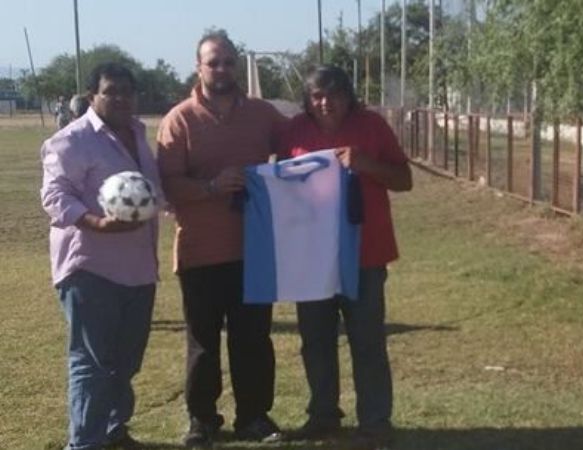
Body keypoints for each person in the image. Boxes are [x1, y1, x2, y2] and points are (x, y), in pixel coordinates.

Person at [156, 31, 286, 447]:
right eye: (213, 62)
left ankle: (254, 417)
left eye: (229, 61)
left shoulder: (264, 114)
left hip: (255, 249)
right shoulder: (179, 119)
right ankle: (202, 419)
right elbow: (168, 183)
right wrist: (212, 187)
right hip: (200, 251)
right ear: (199, 67)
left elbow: (299, 148)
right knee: (202, 343)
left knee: (253, 340)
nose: (222, 69)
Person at [278, 65, 412, 449]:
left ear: (348, 95)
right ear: (307, 99)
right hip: (312, 258)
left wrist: (366, 164)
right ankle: (323, 417)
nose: (325, 102)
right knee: (316, 341)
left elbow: (404, 180)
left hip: (365, 255)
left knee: (367, 340)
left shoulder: (372, 126)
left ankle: (375, 420)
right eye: (317, 95)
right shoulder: (294, 132)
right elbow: (280, 185)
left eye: (333, 94)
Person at [40, 62, 161, 450]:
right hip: (90, 267)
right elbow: (55, 196)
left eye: (127, 90)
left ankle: (113, 430)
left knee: (126, 361)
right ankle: (85, 443)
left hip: (139, 269)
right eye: (111, 90)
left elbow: (152, 192)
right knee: (91, 361)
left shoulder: (139, 134)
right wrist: (95, 222)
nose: (121, 97)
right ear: (93, 95)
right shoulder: (72, 140)